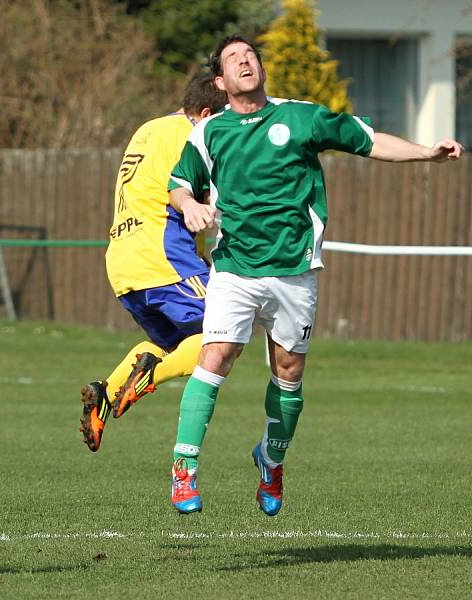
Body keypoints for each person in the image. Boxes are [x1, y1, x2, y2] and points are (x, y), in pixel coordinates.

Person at [166, 35, 464, 515]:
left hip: (295, 270)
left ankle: (271, 458)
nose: (246, 61)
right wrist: (191, 206)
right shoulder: (209, 132)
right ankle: (184, 469)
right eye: (233, 59)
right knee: (217, 355)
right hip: (235, 268)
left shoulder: (301, 116)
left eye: (251, 55)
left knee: (289, 372)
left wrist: (427, 152)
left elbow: (368, 141)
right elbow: (179, 184)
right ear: (219, 81)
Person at [79, 73, 227, 452]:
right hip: (164, 258)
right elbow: (194, 199)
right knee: (224, 334)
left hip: (124, 262)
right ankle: (149, 377)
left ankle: (106, 394)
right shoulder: (191, 136)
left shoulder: (148, 129)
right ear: (206, 113)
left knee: (175, 342)